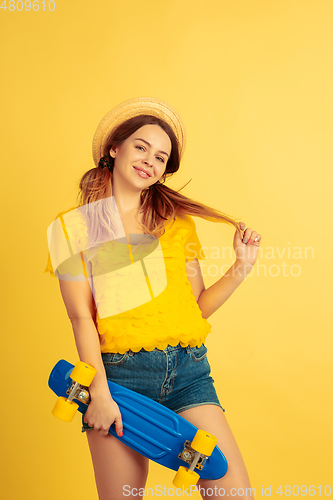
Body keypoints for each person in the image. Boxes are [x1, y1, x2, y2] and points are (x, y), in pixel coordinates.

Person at [44, 97, 261, 500]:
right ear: (115, 148)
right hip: (119, 378)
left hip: (189, 373)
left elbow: (195, 308)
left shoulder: (177, 223)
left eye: (160, 157)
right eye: (141, 147)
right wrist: (101, 396)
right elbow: (80, 319)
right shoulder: (70, 229)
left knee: (235, 494)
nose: (149, 161)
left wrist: (241, 267)